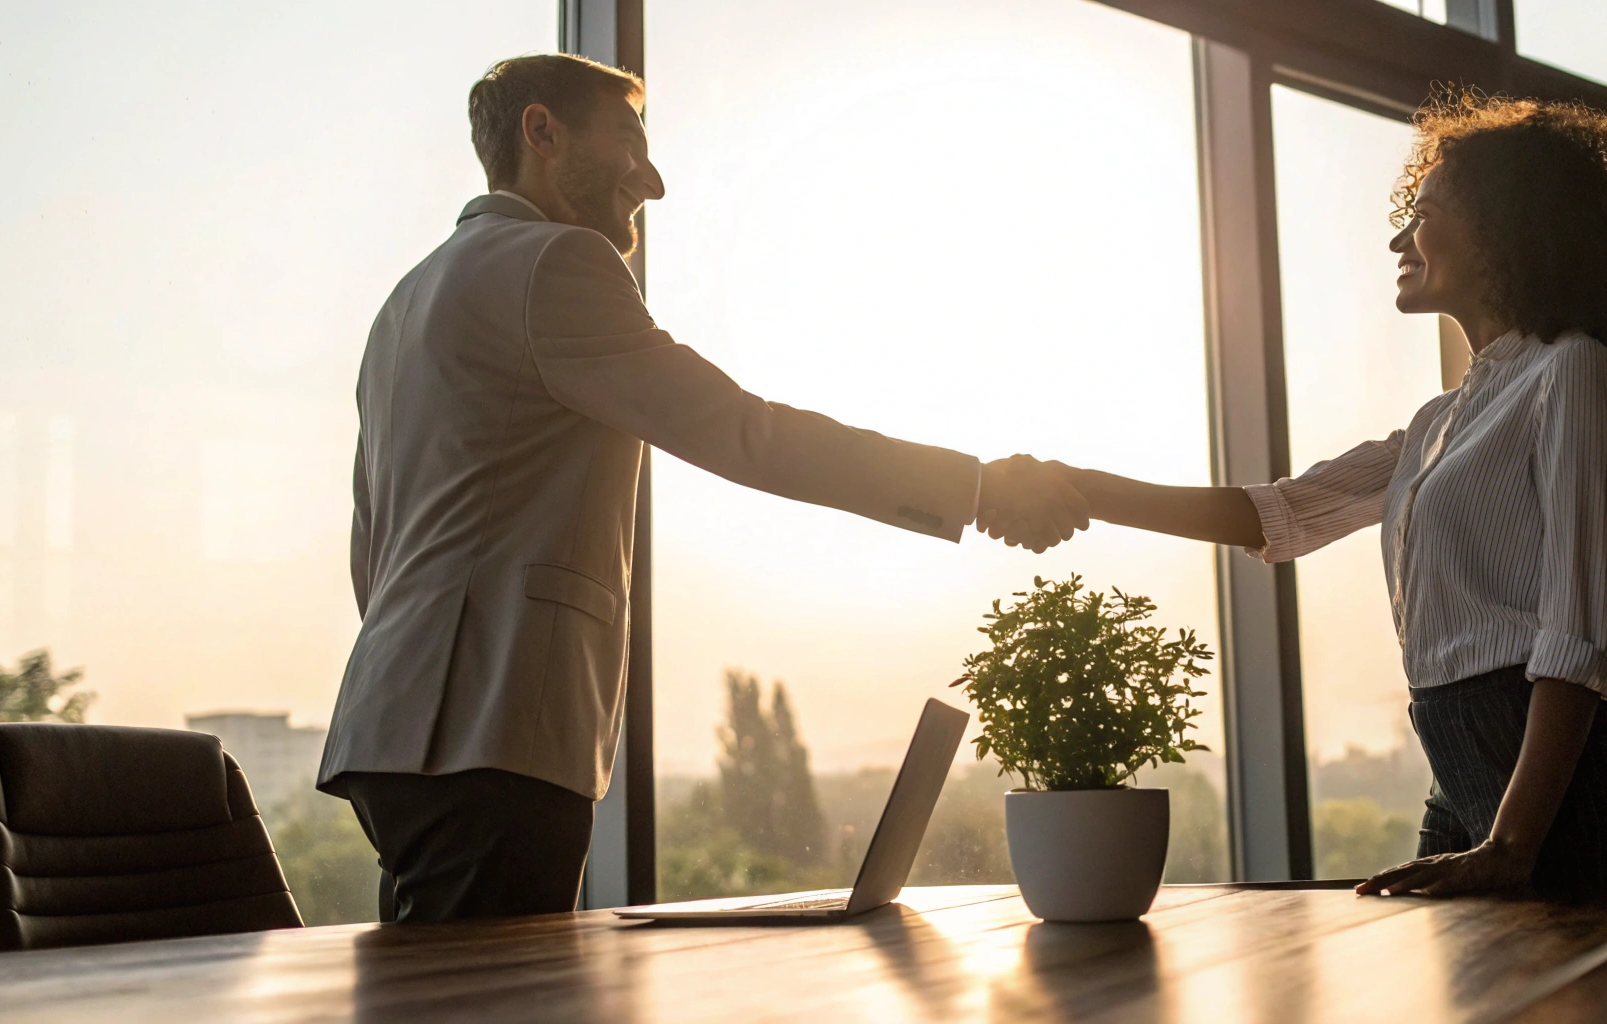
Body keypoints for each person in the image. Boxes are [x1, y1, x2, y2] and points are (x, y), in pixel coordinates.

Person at [317, 53, 1086, 923]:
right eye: (628, 143)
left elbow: (371, 545)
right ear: (542, 131)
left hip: (393, 730)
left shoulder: (405, 302)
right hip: (496, 732)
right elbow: (744, 433)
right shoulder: (555, 263)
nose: (652, 180)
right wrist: (974, 486)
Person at [1024, 93, 1607, 900]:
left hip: (1573, 799)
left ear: (1508, 227)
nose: (1399, 238)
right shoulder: (1440, 420)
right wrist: (1079, 489)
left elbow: (1579, 636)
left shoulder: (1577, 374)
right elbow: (1280, 513)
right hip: (1467, 771)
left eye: (1425, 213)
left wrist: (1513, 844)